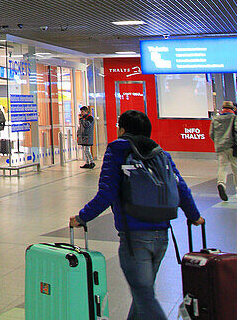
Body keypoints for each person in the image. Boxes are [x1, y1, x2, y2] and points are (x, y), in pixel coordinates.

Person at [70, 110, 203, 320]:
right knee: (143, 294)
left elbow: (107, 193)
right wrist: (194, 215)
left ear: (122, 130)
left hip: (134, 238)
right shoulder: (160, 153)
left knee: (144, 297)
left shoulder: (117, 150)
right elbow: (181, 187)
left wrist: (81, 217)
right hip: (161, 236)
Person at [211, 100, 237, 200]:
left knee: (222, 167)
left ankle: (221, 184)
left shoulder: (215, 119)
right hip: (232, 146)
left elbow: (211, 134)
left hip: (220, 147)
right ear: (232, 108)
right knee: (236, 168)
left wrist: (218, 141)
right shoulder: (235, 117)